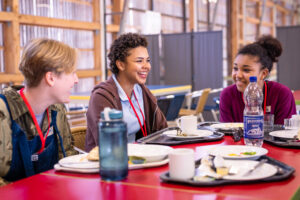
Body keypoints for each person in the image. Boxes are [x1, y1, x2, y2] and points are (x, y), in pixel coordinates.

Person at [0, 38, 78, 185]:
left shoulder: (57, 108)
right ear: (51, 78)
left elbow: (67, 158)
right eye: (72, 73)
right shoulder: (3, 112)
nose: (76, 80)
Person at [86, 33, 167, 151]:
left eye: (147, 60)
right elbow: (108, 145)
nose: (147, 66)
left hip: (139, 158)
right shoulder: (101, 97)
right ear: (121, 64)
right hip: (111, 162)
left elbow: (161, 129)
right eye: (139, 61)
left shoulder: (142, 91)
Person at [220, 35, 296, 124]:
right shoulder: (227, 95)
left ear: (263, 73)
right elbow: (226, 134)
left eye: (246, 70)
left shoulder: (281, 94)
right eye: (235, 68)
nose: (238, 75)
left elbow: (287, 134)